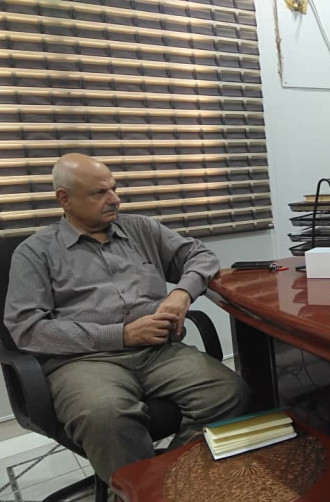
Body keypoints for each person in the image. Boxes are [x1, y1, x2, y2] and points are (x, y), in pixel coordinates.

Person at [4, 153, 250, 484]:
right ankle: (139, 499)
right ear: (65, 199)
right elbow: (27, 330)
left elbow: (201, 256)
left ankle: (175, 482)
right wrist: (122, 335)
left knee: (230, 392)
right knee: (106, 414)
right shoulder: (36, 252)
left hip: (159, 352)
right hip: (83, 361)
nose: (114, 199)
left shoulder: (140, 229)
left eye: (114, 189)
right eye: (99, 193)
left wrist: (182, 293)